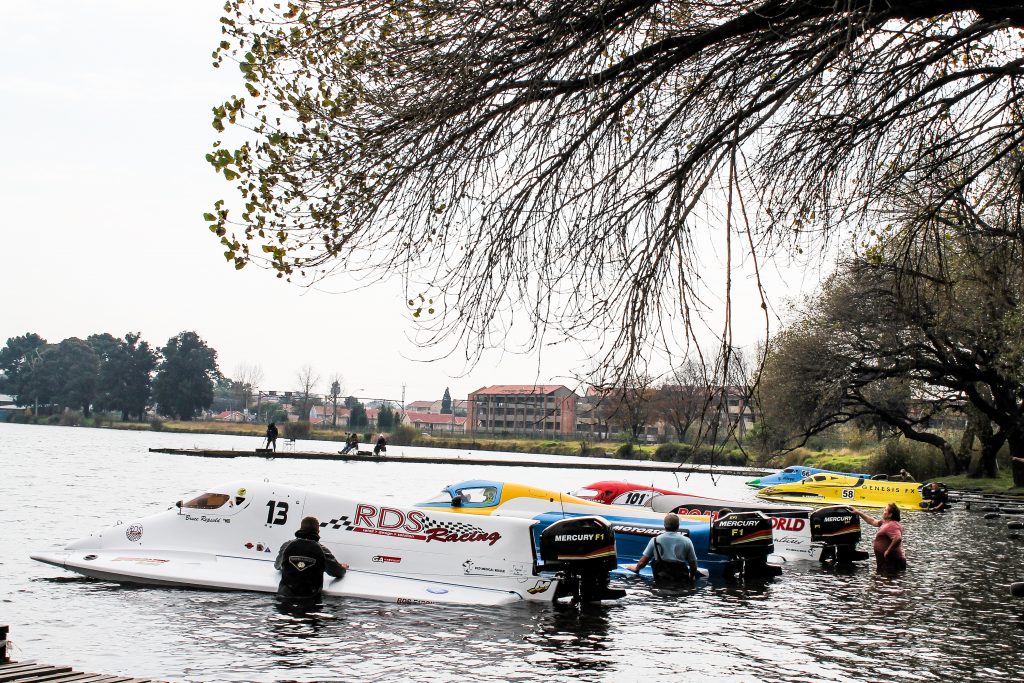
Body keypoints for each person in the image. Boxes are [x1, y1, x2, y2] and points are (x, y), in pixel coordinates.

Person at [274, 516, 349, 599]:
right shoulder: (322, 551)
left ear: (300, 529)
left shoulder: (286, 546)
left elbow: (277, 566)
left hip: (284, 598)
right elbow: (337, 572)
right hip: (309, 600)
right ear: (318, 532)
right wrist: (343, 567)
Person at [627, 513, 698, 585]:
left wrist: (636, 568)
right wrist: (692, 577)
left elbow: (642, 563)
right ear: (678, 526)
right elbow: (693, 565)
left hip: (661, 580)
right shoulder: (687, 541)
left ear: (664, 525)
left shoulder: (655, 540)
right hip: (681, 581)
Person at [852, 503, 906, 572]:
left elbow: (898, 538)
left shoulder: (893, 525)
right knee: (881, 576)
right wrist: (858, 512)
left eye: (885, 510)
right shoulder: (885, 522)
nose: (883, 512)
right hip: (885, 562)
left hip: (893, 562)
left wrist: (888, 551)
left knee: (890, 577)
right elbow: (872, 521)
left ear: (890, 514)